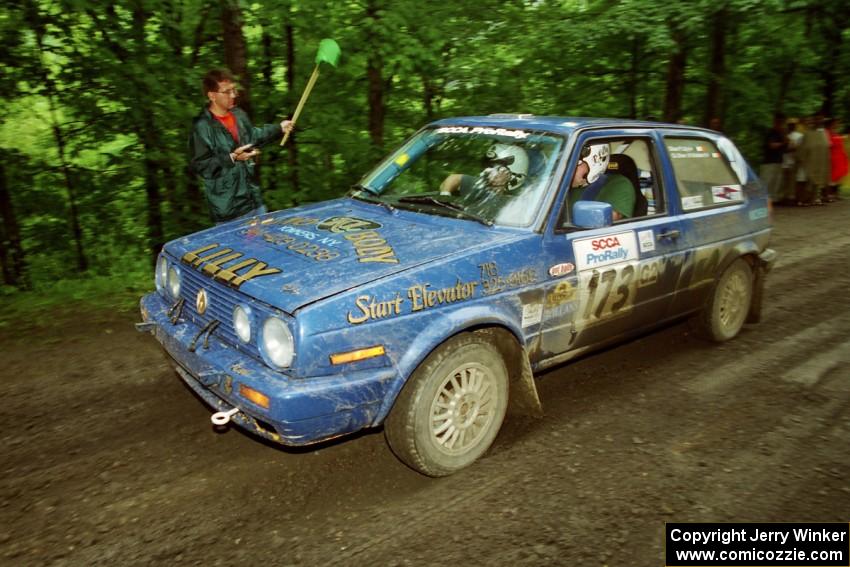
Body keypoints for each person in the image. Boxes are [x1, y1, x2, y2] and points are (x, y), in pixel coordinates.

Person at [189, 69, 293, 224]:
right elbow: (200, 166)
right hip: (228, 212)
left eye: (234, 90)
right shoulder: (202, 127)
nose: (233, 95)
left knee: (264, 246)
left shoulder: (238, 115)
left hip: (254, 202)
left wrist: (279, 128)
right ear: (212, 96)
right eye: (227, 92)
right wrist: (232, 158)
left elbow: (253, 137)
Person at [568, 143, 635, 221]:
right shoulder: (562, 185)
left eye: (576, 163)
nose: (568, 168)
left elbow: (609, 218)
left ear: (594, 163)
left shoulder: (618, 184)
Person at [440, 143, 529, 197]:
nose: (488, 170)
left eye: (496, 167)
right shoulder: (480, 186)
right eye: (489, 165)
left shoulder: (519, 203)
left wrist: (500, 187)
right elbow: (453, 179)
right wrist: (445, 195)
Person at [798, 113, 831, 206]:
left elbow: (826, 146)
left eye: (821, 119)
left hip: (821, 160)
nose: (819, 121)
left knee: (819, 179)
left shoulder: (823, 133)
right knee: (808, 179)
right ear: (814, 120)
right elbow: (804, 147)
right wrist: (802, 158)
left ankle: (816, 198)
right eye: (817, 119)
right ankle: (804, 199)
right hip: (809, 160)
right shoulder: (808, 133)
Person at [760, 113, 787, 203]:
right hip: (769, 161)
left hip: (778, 161)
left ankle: (773, 200)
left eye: (782, 122)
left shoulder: (781, 134)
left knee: (776, 182)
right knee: (767, 181)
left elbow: (787, 146)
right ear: (775, 122)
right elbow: (772, 145)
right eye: (779, 122)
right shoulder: (770, 133)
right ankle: (763, 199)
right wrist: (783, 142)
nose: (781, 124)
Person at [825, 117, 848, 202]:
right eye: (836, 123)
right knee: (833, 175)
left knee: (840, 174)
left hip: (840, 156)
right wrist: (840, 138)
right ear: (831, 123)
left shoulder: (835, 132)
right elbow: (829, 143)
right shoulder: (827, 132)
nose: (837, 125)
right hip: (833, 156)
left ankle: (836, 194)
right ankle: (829, 194)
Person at [782, 120, 803, 206]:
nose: (791, 126)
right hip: (785, 161)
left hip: (793, 161)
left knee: (792, 181)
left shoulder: (799, 136)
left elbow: (799, 148)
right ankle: (786, 197)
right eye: (789, 125)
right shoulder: (784, 135)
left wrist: (790, 147)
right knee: (785, 181)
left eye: (792, 125)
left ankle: (792, 198)